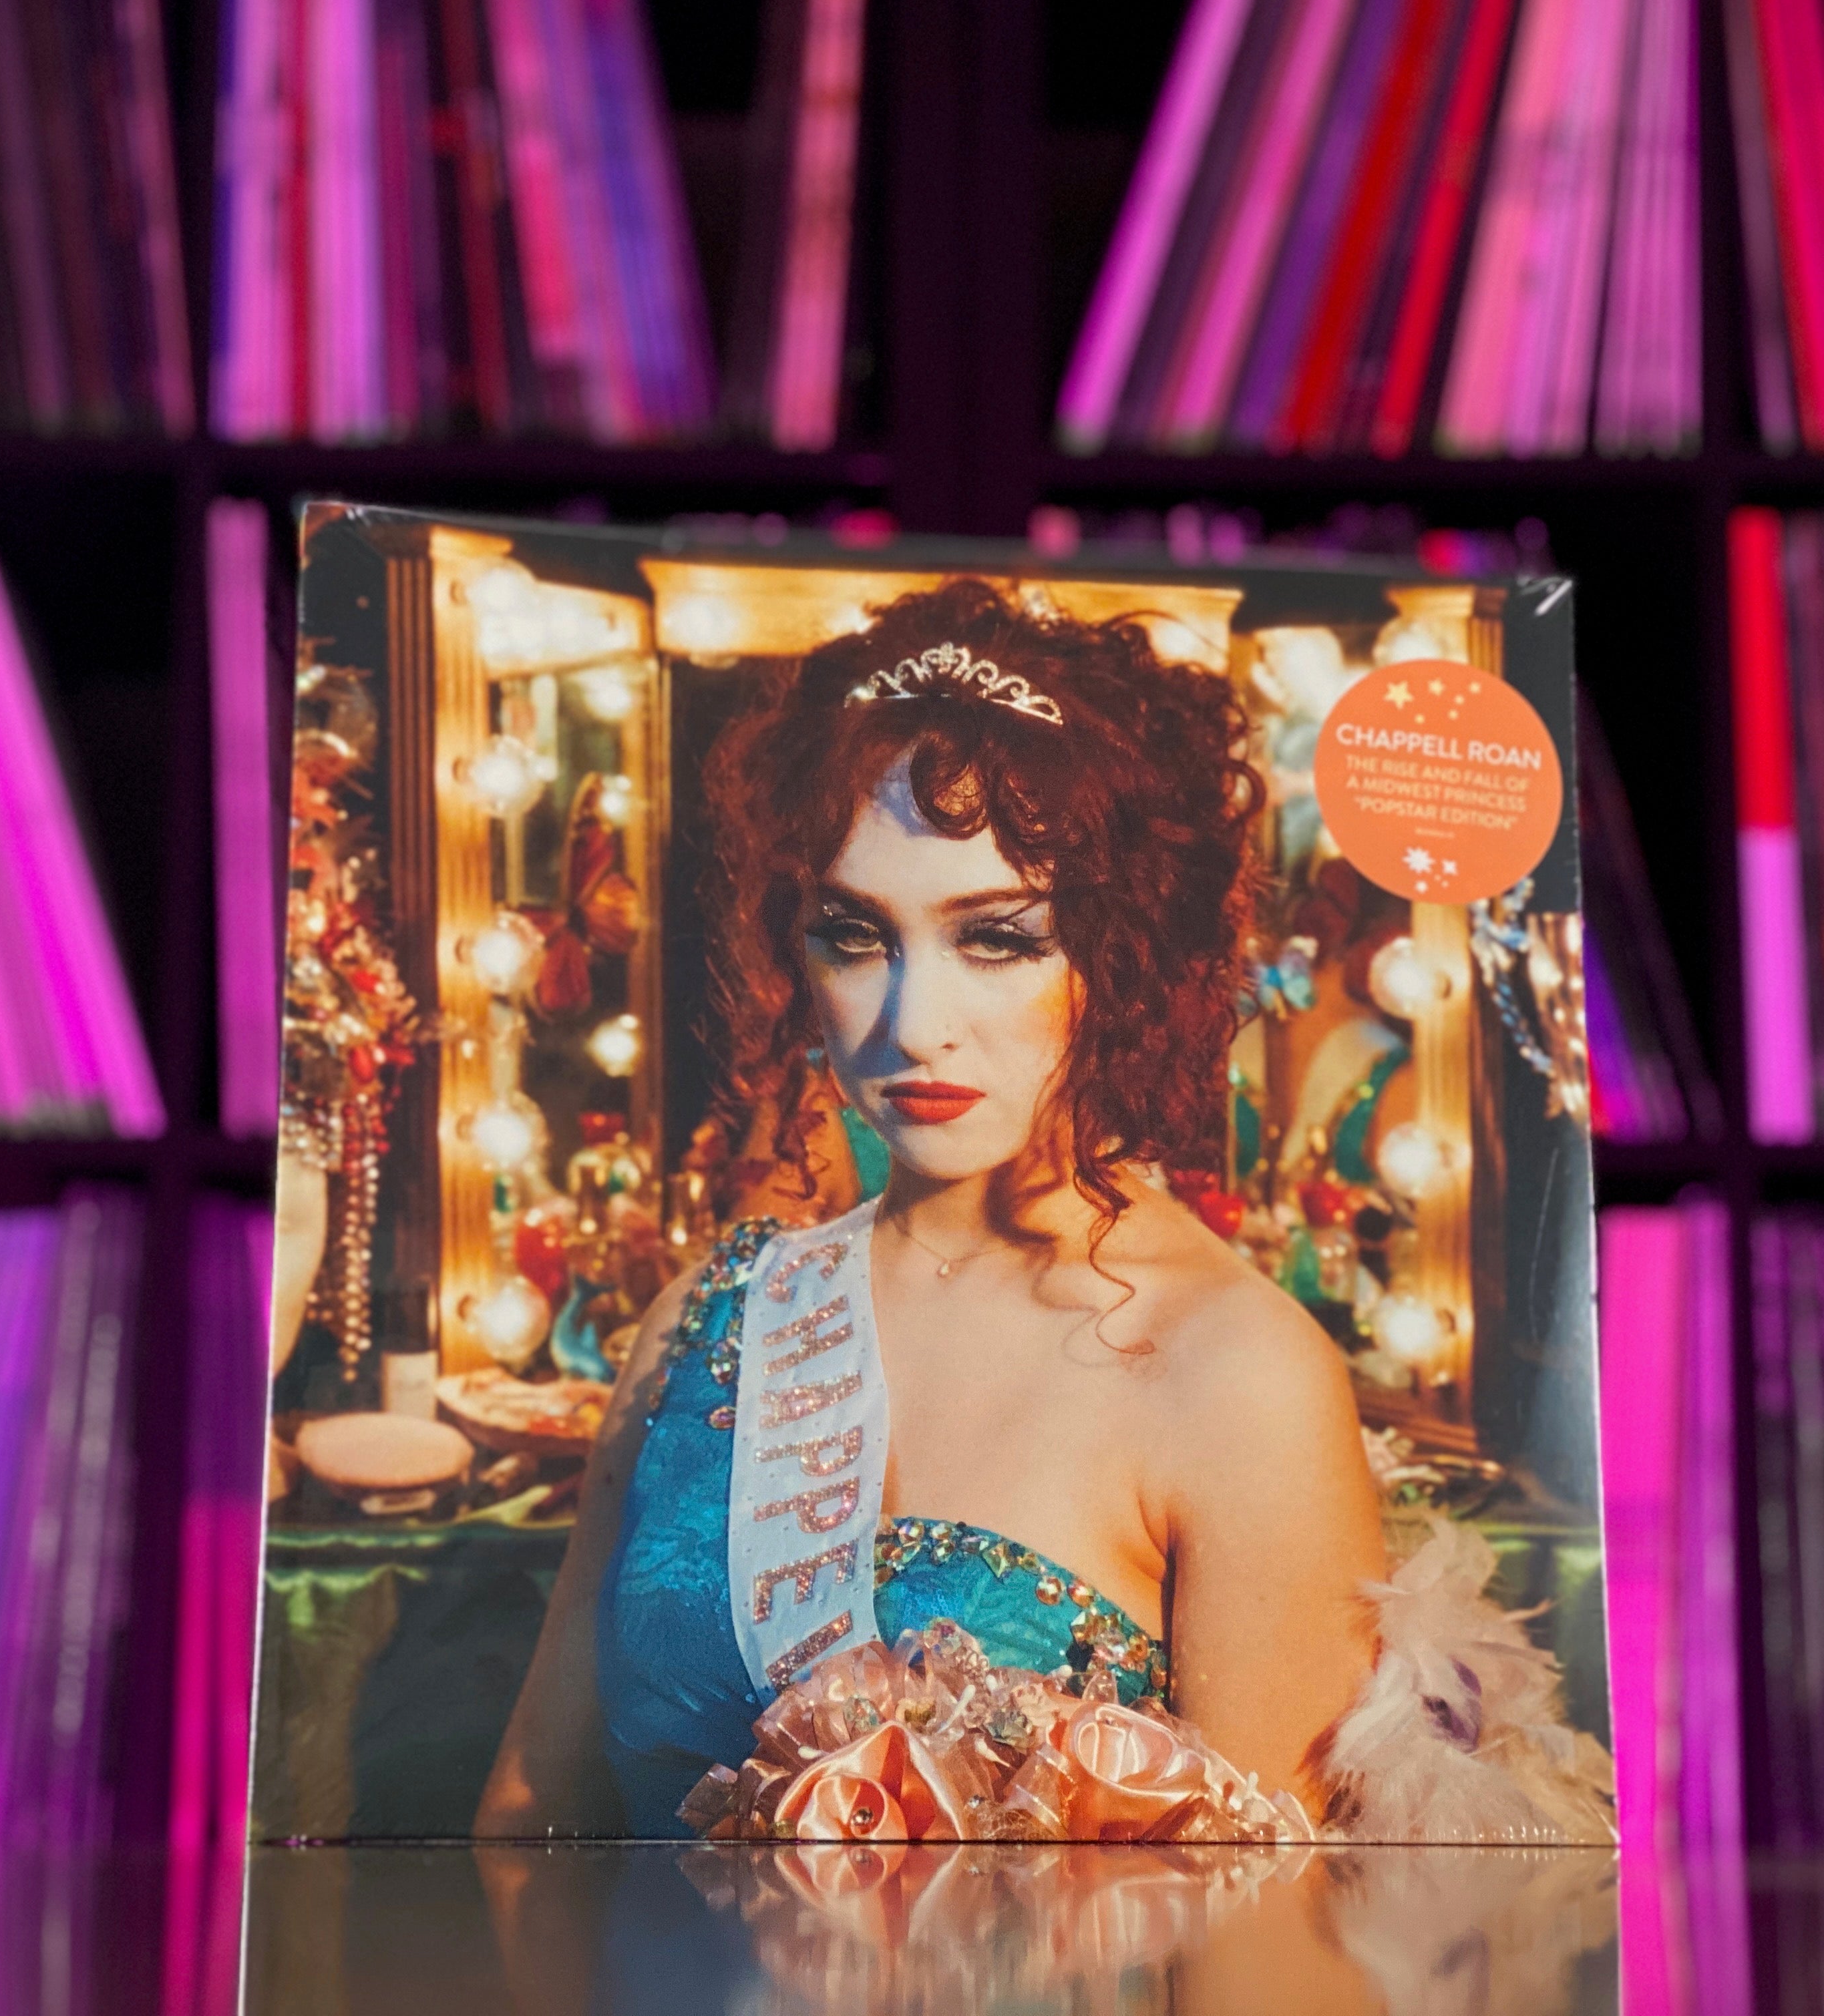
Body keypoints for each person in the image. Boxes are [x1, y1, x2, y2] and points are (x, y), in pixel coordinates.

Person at [477, 578, 1389, 1836]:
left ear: (1128, 954)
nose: (912, 1025)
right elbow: (527, 1821)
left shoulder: (1238, 1374)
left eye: (999, 939)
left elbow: (1274, 1928)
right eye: (854, 936)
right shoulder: (706, 1319)